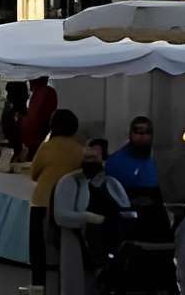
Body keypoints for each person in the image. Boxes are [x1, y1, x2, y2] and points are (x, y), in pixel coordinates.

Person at [50, 139, 129, 295]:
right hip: (75, 244)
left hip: (104, 248)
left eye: (94, 157)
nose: (89, 161)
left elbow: (126, 210)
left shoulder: (111, 182)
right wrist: (89, 218)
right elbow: (60, 216)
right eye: (87, 157)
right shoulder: (70, 181)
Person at [27, 107, 89, 289]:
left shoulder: (47, 147)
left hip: (41, 203)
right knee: (66, 253)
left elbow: (33, 173)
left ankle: (38, 288)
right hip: (68, 206)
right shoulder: (80, 150)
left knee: (38, 253)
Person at [107, 115, 161, 208]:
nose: (143, 136)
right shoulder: (116, 162)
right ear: (130, 134)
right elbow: (111, 197)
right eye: (138, 132)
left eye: (147, 132)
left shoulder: (149, 159)